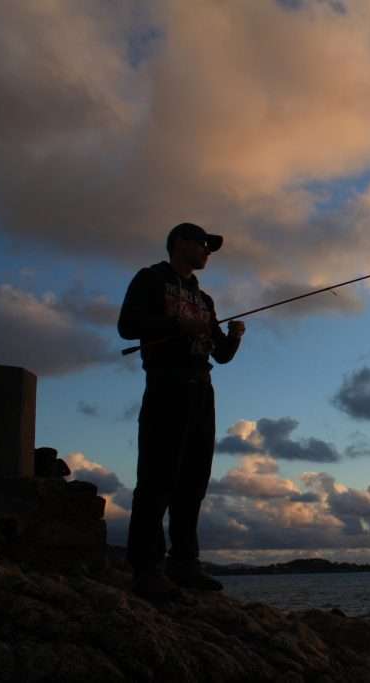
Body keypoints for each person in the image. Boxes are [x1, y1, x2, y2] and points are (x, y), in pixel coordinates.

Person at [117, 222, 245, 602]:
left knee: (193, 482)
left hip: (202, 390)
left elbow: (220, 355)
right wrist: (176, 323)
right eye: (203, 244)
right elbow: (127, 326)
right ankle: (146, 569)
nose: (208, 251)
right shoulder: (151, 279)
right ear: (180, 243)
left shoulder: (205, 300)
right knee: (157, 477)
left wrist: (235, 336)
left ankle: (185, 563)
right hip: (165, 384)